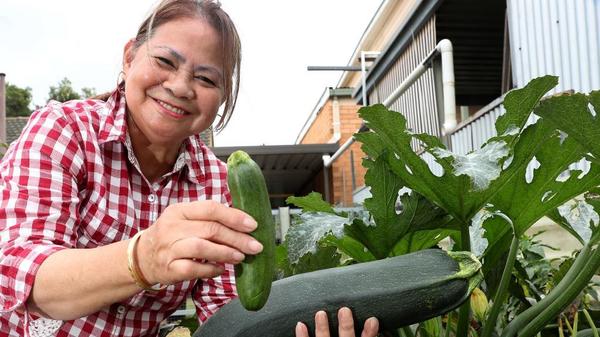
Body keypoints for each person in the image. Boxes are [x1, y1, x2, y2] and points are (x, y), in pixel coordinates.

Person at [0, 1, 379, 336]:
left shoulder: (219, 185)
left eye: (205, 78)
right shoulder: (64, 131)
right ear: (130, 57)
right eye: (165, 61)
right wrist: (143, 258)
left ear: (222, 96)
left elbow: (229, 315)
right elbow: (17, 277)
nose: (181, 87)